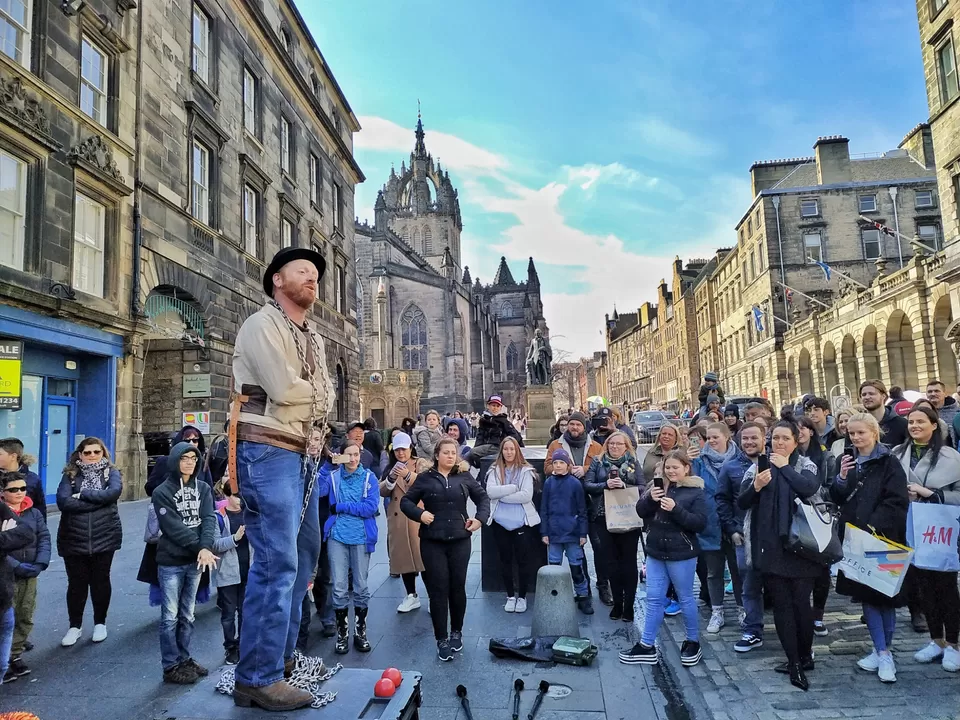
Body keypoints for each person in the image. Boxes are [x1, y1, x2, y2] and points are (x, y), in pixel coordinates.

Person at [230, 246, 333, 711]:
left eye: (315, 274)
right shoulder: (261, 325)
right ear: (277, 279)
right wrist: (309, 394)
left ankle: (281, 657)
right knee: (276, 564)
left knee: (304, 556)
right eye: (302, 271)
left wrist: (305, 396)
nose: (312, 278)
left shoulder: (314, 336)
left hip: (304, 453)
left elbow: (320, 396)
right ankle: (257, 676)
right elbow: (283, 389)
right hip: (267, 451)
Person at [738, 418, 821, 691]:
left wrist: (785, 468)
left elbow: (809, 488)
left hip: (802, 545)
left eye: (786, 438)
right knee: (783, 605)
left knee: (802, 604)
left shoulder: (805, 464)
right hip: (770, 545)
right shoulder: (758, 466)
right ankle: (793, 661)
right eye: (776, 438)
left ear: (796, 441)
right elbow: (742, 502)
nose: (780, 443)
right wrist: (756, 486)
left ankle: (805, 656)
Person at [830, 412, 909, 684]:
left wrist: (873, 525)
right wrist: (841, 478)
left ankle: (883, 651)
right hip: (854, 539)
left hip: (883, 538)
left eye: (860, 432)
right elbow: (837, 496)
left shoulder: (889, 461)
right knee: (867, 596)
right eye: (851, 433)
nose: (855, 437)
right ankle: (882, 650)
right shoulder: (846, 460)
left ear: (874, 432)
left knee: (885, 596)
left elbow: (897, 500)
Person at [400, 438, 489, 662]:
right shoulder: (425, 478)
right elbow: (406, 502)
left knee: (457, 587)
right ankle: (441, 638)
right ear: (437, 455)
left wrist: (479, 519)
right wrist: (420, 514)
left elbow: (482, 498)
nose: (450, 456)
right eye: (446, 452)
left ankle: (456, 631)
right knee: (438, 590)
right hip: (433, 541)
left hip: (460, 539)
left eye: (453, 452)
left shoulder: (464, 476)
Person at [621, 450, 707, 667]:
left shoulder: (695, 491)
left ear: (686, 468)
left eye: (675, 467)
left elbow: (699, 523)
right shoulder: (656, 487)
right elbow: (640, 511)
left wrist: (676, 510)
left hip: (681, 553)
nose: (671, 471)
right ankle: (647, 644)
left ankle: (692, 641)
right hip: (656, 552)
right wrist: (651, 499)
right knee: (653, 598)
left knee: (685, 598)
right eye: (668, 467)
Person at [893, 404, 960, 671]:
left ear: (934, 425)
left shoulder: (951, 457)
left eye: (921, 421)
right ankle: (936, 640)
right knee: (923, 588)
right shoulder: (897, 453)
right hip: (910, 527)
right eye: (911, 422)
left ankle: (954, 643)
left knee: (946, 587)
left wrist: (930, 493)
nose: (915, 426)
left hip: (941, 529)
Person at [151, 441, 218, 684]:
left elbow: (209, 518)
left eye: (193, 458)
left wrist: (205, 546)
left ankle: (184, 657)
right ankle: (170, 665)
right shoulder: (161, 492)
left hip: (196, 561)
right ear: (175, 460)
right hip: (171, 562)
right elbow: (173, 528)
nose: (190, 462)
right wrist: (201, 547)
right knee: (170, 617)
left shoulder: (203, 488)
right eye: (184, 458)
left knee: (188, 615)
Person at [56, 437, 122, 648]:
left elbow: (113, 493)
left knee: (101, 581)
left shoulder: (111, 473)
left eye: (96, 452)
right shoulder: (70, 475)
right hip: (73, 537)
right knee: (76, 584)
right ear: (80, 454)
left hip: (105, 535)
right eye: (87, 452)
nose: (92, 456)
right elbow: (64, 502)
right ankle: (74, 626)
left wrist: (83, 494)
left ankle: (100, 623)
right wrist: (99, 502)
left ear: (103, 453)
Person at [545, 412, 609, 605]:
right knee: (576, 553)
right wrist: (564, 469)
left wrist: (585, 469)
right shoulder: (556, 445)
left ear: (584, 427)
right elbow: (547, 467)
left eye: (578, 425)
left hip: (593, 502)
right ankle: (583, 591)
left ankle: (603, 586)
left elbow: (603, 468)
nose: (574, 427)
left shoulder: (595, 446)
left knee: (599, 547)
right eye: (571, 424)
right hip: (567, 505)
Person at [323, 442, 379, 655]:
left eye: (356, 454)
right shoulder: (333, 477)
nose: (353, 459)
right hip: (337, 535)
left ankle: (360, 632)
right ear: (342, 456)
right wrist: (328, 465)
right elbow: (318, 490)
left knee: (361, 586)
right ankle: (342, 634)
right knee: (338, 587)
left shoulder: (369, 478)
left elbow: (370, 508)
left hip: (361, 536)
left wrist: (341, 506)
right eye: (349, 455)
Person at [716, 422, 765, 653]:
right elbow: (722, 499)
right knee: (749, 585)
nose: (749, 442)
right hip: (743, 535)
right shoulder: (730, 466)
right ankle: (753, 629)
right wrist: (732, 530)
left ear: (764, 438)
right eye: (745, 438)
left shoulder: (775, 462)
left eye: (754, 437)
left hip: (773, 534)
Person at [584, 432, 641, 621]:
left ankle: (629, 606)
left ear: (626, 446)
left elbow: (642, 486)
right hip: (603, 518)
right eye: (611, 444)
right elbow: (588, 484)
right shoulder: (597, 461)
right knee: (612, 563)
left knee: (629, 563)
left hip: (628, 518)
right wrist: (605, 484)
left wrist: (625, 487)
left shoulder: (633, 462)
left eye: (619, 444)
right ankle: (617, 604)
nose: (615, 447)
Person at [693, 422, 741, 634]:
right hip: (710, 522)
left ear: (727, 436)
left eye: (715, 437)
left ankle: (742, 609)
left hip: (734, 522)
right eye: (709, 437)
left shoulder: (740, 458)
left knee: (738, 570)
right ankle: (717, 611)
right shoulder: (699, 461)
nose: (711, 441)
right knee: (713, 572)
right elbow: (692, 488)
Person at [1, 470, 48, 681]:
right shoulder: (3, 513)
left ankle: (15, 653)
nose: (19, 492)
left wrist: (40, 563)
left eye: (23, 488)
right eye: (13, 489)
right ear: (3, 493)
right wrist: (17, 565)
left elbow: (42, 537)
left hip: (31, 570)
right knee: (7, 615)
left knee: (25, 613)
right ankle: (5, 657)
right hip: (8, 573)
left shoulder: (33, 513)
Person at [485, 437, 541, 614]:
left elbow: (526, 496)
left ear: (517, 451)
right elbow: (490, 492)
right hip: (500, 523)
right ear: (501, 451)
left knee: (523, 561)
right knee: (505, 560)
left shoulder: (526, 471)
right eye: (506, 449)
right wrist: (512, 488)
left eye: (512, 449)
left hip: (521, 523)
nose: (509, 452)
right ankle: (510, 596)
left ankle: (522, 596)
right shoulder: (494, 470)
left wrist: (501, 495)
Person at [540, 450, 591, 614]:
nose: (558, 466)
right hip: (554, 534)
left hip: (573, 534)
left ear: (568, 465)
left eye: (561, 462)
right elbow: (544, 509)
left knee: (577, 569)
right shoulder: (549, 483)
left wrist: (583, 533)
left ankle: (583, 596)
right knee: (554, 569)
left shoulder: (575, 484)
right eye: (555, 463)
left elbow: (582, 510)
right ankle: (554, 597)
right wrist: (544, 532)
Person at [378, 432, 425, 613]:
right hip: (398, 519)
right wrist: (390, 479)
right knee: (403, 558)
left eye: (404, 449)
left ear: (410, 448)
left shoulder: (420, 463)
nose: (401, 453)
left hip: (419, 517)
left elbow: (427, 483)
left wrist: (407, 475)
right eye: (397, 450)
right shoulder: (390, 467)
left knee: (426, 558)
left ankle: (434, 595)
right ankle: (411, 595)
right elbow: (382, 491)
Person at [0, 474, 34, 684]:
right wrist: (6, 540)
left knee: (2, 666)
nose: (19, 493)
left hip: (3, 598)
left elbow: (26, 533)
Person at [215, 482, 249, 666]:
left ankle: (243, 644)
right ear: (227, 496)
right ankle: (230, 646)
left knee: (245, 611)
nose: (240, 501)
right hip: (228, 573)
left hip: (248, 571)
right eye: (237, 496)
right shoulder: (218, 517)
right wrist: (235, 538)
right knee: (228, 614)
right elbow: (214, 545)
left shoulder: (249, 515)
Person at [146, 425, 213, 495]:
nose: (191, 443)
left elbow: (210, 492)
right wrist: (170, 475)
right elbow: (149, 489)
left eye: (195, 440)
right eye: (187, 440)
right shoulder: (164, 461)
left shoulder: (202, 463)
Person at [469, 396, 524, 466]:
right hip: (486, 448)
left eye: (497, 406)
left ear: (500, 408)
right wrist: (477, 449)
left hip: (498, 447)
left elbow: (515, 436)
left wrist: (505, 444)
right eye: (493, 405)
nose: (495, 408)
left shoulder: (504, 421)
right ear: (488, 406)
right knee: (471, 453)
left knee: (472, 452)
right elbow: (479, 437)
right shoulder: (483, 420)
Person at [0, 439, 45, 519]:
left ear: (13, 456)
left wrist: (40, 526)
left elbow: (40, 507)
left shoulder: (33, 479)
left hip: (25, 524)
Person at [860, 380, 908, 448]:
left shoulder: (902, 424)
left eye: (871, 394)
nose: (867, 397)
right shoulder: (856, 425)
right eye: (864, 395)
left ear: (883, 396)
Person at [925, 380, 959, 446]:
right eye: (930, 391)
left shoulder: (957, 412)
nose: (933, 394)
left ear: (945, 393)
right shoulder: (923, 412)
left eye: (936, 391)